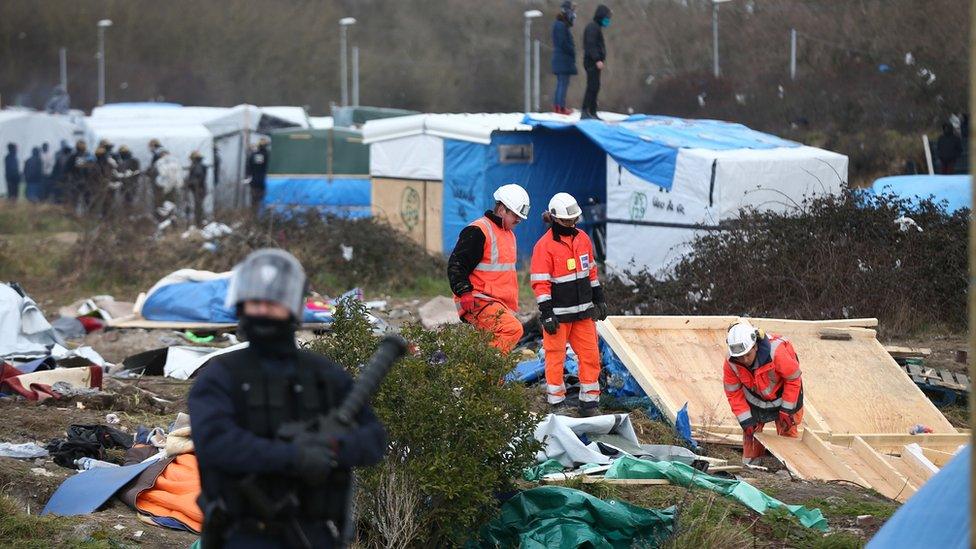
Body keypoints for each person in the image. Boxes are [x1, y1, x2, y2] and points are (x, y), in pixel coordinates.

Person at [189, 248, 387, 548]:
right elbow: (215, 444)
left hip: (314, 535)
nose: (263, 311)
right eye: (255, 302)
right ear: (242, 306)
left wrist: (332, 447)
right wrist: (294, 457)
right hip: (241, 534)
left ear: (292, 307)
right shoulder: (219, 376)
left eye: (273, 303)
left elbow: (373, 441)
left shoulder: (325, 375)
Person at [531, 193, 608, 415]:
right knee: (555, 357)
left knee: (591, 356)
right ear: (555, 219)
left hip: (584, 312)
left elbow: (591, 272)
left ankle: (589, 403)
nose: (572, 224)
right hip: (558, 314)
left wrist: (599, 298)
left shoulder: (583, 238)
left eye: (574, 219)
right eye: (567, 220)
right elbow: (540, 283)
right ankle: (556, 403)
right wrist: (546, 313)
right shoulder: (544, 246)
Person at [448, 184, 530, 353]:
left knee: (488, 343)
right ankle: (488, 373)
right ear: (501, 209)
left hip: (498, 304)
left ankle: (482, 374)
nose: (518, 220)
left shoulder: (508, 234)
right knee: (512, 329)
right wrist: (464, 291)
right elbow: (457, 264)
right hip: (478, 300)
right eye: (515, 215)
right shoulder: (478, 231)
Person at [723, 320, 804, 465]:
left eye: (747, 354)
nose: (744, 360)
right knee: (750, 435)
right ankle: (751, 467)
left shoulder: (777, 352)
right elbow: (733, 393)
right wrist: (746, 420)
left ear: (755, 346)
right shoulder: (731, 362)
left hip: (784, 396)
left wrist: (787, 410)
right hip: (755, 400)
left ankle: (791, 468)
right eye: (740, 357)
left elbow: (793, 380)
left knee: (788, 431)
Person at [581, 4, 612, 119]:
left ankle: (592, 111)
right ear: (601, 16)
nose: (607, 20)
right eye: (606, 18)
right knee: (592, 86)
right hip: (592, 62)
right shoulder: (592, 28)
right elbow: (591, 45)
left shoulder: (596, 28)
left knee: (595, 86)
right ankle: (585, 110)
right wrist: (597, 59)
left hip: (595, 62)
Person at [551, 1, 578, 115]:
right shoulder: (561, 26)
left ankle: (558, 106)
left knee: (561, 83)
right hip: (563, 59)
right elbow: (563, 43)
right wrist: (572, 50)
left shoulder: (559, 24)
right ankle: (560, 107)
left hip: (561, 59)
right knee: (563, 83)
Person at [246, 138, 270, 215]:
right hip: (264, 181)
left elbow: (248, 167)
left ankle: (253, 217)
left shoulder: (253, 155)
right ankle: (261, 217)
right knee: (262, 201)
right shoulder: (268, 155)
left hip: (254, 181)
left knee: (254, 201)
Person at [186, 151, 208, 226]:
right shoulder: (200, 165)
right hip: (200, 189)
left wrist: (189, 183)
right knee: (199, 206)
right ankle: (200, 223)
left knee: (198, 207)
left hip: (198, 189)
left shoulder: (197, 166)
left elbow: (197, 178)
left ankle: (199, 224)